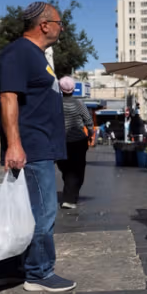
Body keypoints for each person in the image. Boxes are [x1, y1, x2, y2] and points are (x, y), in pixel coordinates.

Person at [0, 2, 76, 292]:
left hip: (40, 146)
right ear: (44, 25)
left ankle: (13, 269)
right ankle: (39, 273)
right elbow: (8, 99)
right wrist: (14, 145)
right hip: (31, 147)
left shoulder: (37, 56)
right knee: (43, 213)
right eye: (60, 23)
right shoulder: (18, 52)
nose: (62, 28)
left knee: (29, 212)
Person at [57, 76, 94, 210]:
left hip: (60, 141)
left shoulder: (56, 103)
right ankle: (70, 198)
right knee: (77, 170)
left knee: (66, 169)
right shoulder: (79, 103)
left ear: (60, 89)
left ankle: (70, 195)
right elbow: (88, 121)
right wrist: (90, 134)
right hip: (78, 141)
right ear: (73, 89)